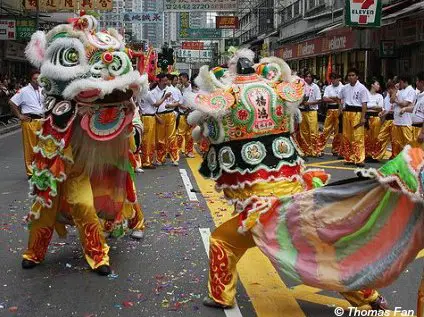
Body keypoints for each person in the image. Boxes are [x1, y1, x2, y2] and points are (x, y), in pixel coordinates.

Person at [188, 51, 395, 313]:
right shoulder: (276, 90)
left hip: (262, 209)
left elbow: (205, 134)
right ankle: (370, 297)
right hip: (297, 198)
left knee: (221, 240)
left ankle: (221, 296)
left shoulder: (230, 96)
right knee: (324, 253)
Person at [21, 14, 146, 275]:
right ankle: (34, 251)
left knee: (83, 204)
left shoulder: (114, 105)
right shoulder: (59, 110)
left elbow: (125, 112)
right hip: (56, 165)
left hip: (79, 169)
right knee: (43, 208)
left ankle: (98, 254)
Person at [9, 70, 45, 178]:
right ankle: (31, 172)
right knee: (30, 147)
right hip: (30, 121)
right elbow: (12, 102)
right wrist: (19, 116)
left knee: (42, 147)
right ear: (31, 79)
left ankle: (41, 169)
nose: (37, 80)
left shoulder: (42, 90)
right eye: (35, 78)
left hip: (42, 121)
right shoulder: (24, 91)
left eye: (39, 78)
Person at [147, 73, 180, 166]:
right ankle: (160, 158)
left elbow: (177, 102)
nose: (166, 82)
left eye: (167, 80)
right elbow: (154, 106)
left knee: (172, 137)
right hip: (159, 116)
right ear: (159, 81)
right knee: (160, 139)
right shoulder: (153, 92)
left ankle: (175, 158)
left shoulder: (172, 90)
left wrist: (171, 105)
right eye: (164, 81)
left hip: (170, 114)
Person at [338, 68, 368, 167]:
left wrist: (363, 117)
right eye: (349, 75)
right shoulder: (345, 87)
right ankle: (349, 157)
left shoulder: (362, 88)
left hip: (357, 113)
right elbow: (339, 98)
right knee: (347, 136)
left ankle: (360, 158)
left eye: (353, 75)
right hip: (347, 113)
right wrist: (340, 107)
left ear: (357, 76)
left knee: (358, 136)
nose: (351, 77)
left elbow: (364, 104)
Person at [318, 72, 344, 156]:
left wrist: (335, 99)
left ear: (339, 79)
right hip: (330, 110)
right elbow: (325, 99)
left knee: (338, 132)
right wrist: (336, 99)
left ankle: (336, 149)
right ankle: (320, 148)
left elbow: (342, 100)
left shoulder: (343, 88)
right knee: (326, 130)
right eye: (331, 79)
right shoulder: (328, 88)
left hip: (339, 110)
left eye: (334, 79)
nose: (333, 81)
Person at [297, 71, 322, 157]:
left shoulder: (315, 87)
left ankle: (315, 150)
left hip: (312, 111)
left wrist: (309, 103)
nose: (308, 78)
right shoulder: (300, 86)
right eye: (306, 77)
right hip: (303, 111)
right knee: (304, 132)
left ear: (312, 78)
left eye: (309, 77)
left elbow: (319, 100)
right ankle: (306, 150)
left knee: (313, 131)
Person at [391, 75, 415, 156]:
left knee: (407, 143)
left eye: (400, 82)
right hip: (397, 121)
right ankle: (397, 161)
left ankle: (408, 162)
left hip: (406, 122)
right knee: (397, 143)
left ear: (405, 82)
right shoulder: (399, 90)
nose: (399, 84)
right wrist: (395, 90)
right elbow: (391, 100)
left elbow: (404, 104)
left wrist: (396, 101)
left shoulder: (411, 90)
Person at [372, 81, 396, 161]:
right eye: (389, 89)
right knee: (380, 137)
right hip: (387, 120)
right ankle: (377, 156)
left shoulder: (397, 96)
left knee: (394, 141)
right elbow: (385, 109)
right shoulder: (386, 98)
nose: (390, 91)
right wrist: (382, 113)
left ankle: (394, 156)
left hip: (394, 120)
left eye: (391, 89)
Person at [400, 72, 424, 146]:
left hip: (420, 129)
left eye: (417, 80)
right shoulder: (419, 95)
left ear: (422, 82)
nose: (416, 83)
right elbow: (417, 108)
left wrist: (422, 133)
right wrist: (405, 109)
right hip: (414, 128)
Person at [176, 72, 195, 158]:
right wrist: (183, 107)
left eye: (181, 79)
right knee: (180, 134)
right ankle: (176, 150)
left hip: (191, 114)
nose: (179, 81)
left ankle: (189, 151)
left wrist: (191, 109)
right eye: (179, 79)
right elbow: (177, 101)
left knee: (190, 134)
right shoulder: (179, 88)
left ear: (186, 78)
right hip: (182, 114)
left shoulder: (193, 88)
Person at [365, 79, 384, 161]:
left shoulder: (380, 96)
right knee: (366, 136)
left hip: (376, 118)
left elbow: (380, 107)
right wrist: (374, 106)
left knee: (375, 137)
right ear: (372, 85)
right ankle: (366, 154)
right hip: (366, 118)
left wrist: (369, 106)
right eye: (377, 84)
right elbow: (363, 106)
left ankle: (375, 155)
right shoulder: (365, 94)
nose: (378, 86)